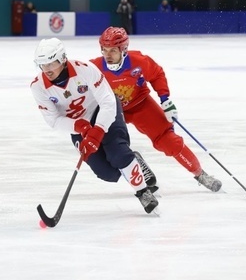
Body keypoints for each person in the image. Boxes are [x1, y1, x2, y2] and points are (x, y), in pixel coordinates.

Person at [30, 38, 159, 214]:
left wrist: (98, 130)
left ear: (62, 59)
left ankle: (143, 192)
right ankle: (133, 159)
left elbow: (107, 101)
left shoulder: (85, 69)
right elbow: (53, 120)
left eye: (51, 64)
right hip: (77, 126)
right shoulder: (38, 86)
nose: (47, 70)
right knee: (106, 173)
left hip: (103, 111)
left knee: (118, 153)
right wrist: (81, 127)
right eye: (42, 65)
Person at [90, 27, 222, 192]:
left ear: (123, 50)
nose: (107, 55)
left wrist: (165, 100)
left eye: (113, 51)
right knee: (107, 150)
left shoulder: (139, 61)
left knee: (169, 142)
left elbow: (157, 74)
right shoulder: (94, 68)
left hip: (140, 105)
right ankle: (134, 162)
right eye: (105, 50)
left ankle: (200, 174)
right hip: (112, 111)